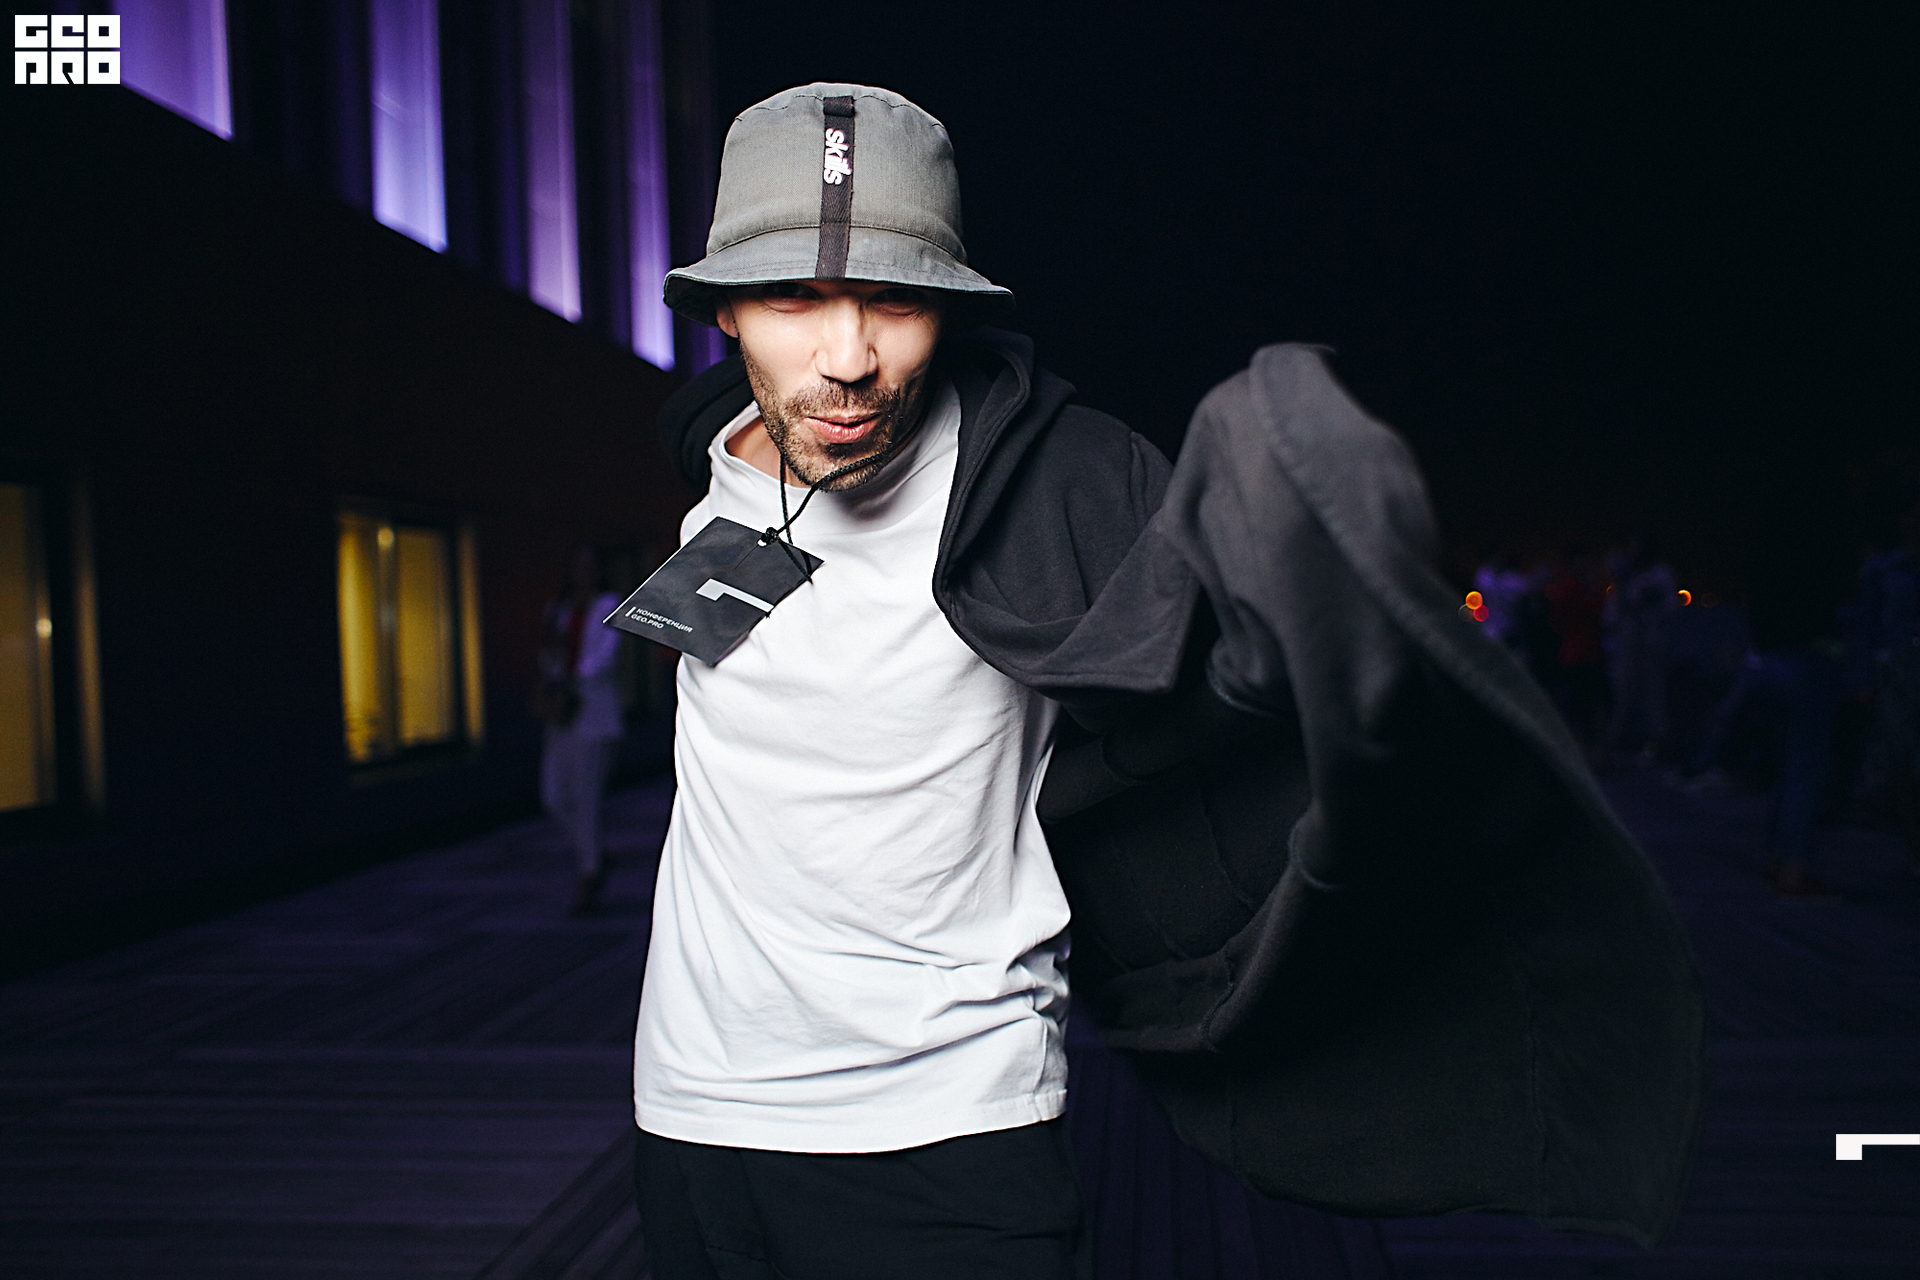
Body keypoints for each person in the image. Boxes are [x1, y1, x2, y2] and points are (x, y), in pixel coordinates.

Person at [630, 83, 1703, 1278]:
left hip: (943, 1126)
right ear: (724, 310)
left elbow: (1235, 685)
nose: (848, 357)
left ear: (950, 306)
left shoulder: (1070, 488)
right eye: (793, 297)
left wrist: (1329, 566)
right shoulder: (713, 467)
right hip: (688, 1108)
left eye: (894, 297)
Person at [536, 545, 624, 914]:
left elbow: (605, 657)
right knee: (554, 796)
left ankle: (589, 872)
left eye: (589, 566)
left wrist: (576, 675)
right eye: (577, 567)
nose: (582, 574)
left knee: (586, 797)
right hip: (561, 712)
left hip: (593, 711)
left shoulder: (609, 605)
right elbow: (546, 657)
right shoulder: (558, 609)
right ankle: (594, 855)